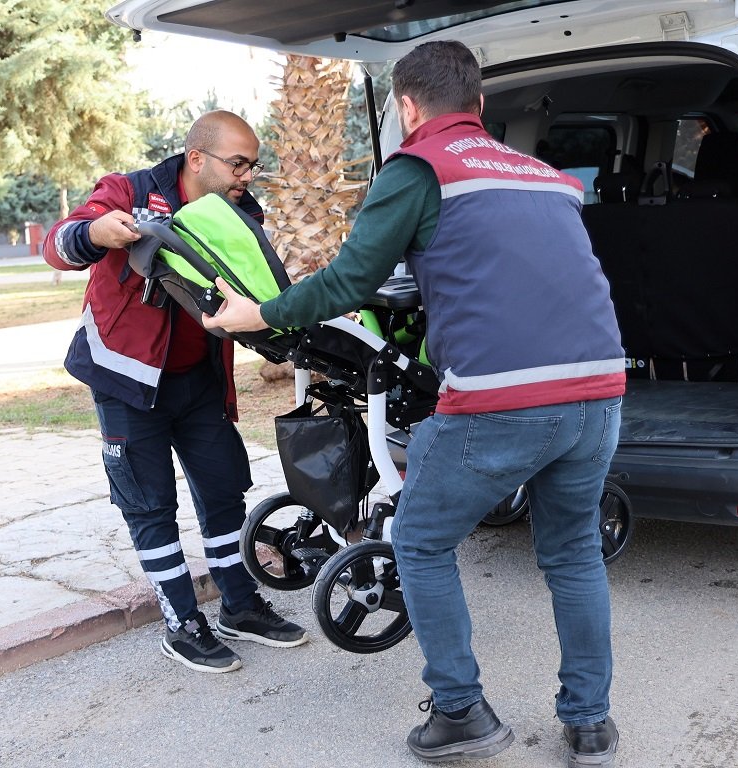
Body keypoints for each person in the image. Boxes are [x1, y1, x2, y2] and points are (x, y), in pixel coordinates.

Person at [204, 43, 625, 766]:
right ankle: (590, 723)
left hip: (503, 402)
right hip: (600, 390)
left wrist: (259, 314)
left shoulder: (420, 168)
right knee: (573, 554)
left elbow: (345, 282)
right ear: (480, 105)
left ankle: (460, 711)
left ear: (406, 106)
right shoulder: (543, 176)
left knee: (422, 542)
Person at [44, 110, 307, 675]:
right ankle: (182, 622)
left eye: (253, 167)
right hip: (127, 381)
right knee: (150, 503)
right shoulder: (129, 191)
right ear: (196, 158)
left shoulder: (238, 211)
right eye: (238, 164)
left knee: (222, 490)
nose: (247, 176)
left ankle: (239, 606)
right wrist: (95, 232)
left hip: (199, 379)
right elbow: (57, 245)